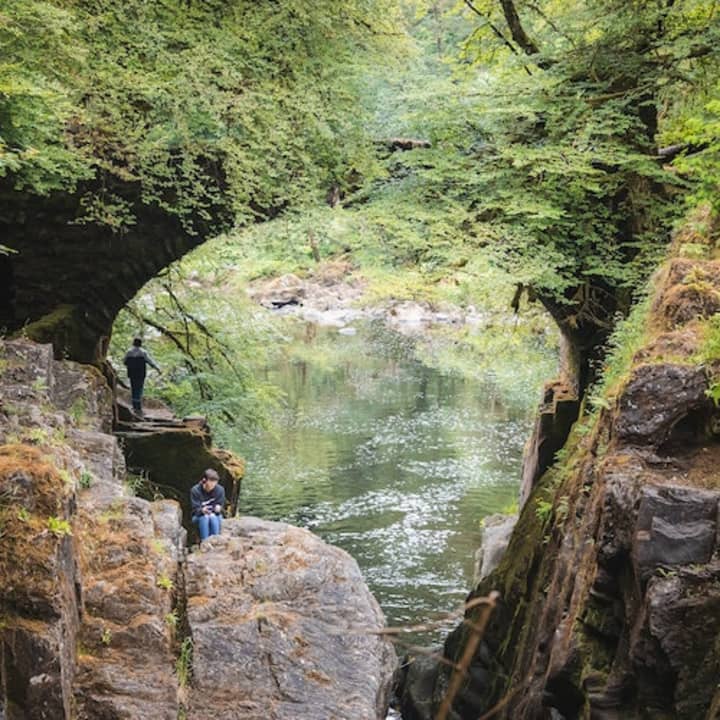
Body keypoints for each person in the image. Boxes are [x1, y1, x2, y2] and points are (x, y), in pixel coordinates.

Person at [123, 337, 160, 417]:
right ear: (140, 344)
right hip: (140, 373)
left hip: (132, 373)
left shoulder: (129, 352)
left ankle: (134, 406)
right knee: (139, 389)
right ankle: (138, 407)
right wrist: (157, 369)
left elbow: (124, 361)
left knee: (133, 388)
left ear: (133, 343)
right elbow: (150, 362)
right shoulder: (143, 352)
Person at [190, 469, 225, 541]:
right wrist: (202, 510)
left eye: (215, 482)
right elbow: (195, 509)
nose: (213, 485)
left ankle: (216, 541)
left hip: (215, 515)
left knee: (213, 517)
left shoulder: (220, 490)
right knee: (205, 518)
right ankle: (205, 542)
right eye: (211, 482)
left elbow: (221, 507)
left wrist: (218, 508)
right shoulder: (195, 490)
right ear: (204, 480)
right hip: (199, 516)